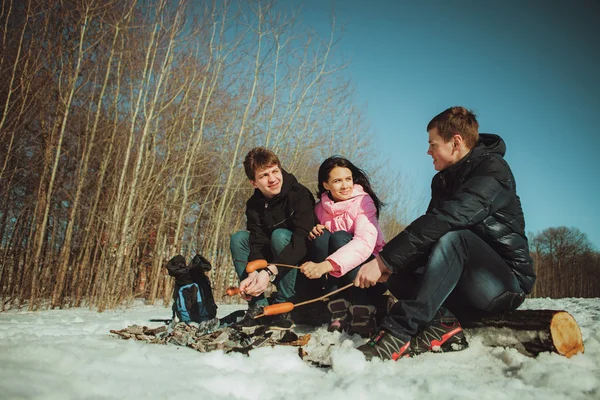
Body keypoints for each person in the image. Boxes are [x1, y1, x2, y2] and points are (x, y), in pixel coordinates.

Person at [355, 106, 536, 360]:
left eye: (433, 144)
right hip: (462, 282)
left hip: (504, 284)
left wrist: (386, 258)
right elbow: (428, 237)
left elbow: (448, 219)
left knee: (455, 237)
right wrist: (390, 265)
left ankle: (398, 334)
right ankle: (444, 325)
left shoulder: (494, 171)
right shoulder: (442, 180)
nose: (428, 151)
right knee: (397, 272)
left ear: (456, 142)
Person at [300, 156, 388, 337]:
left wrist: (325, 266)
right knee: (321, 237)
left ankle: (363, 309)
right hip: (337, 282)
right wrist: (314, 230)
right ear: (326, 185)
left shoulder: (364, 202)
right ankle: (338, 307)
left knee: (340, 237)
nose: (345, 185)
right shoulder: (319, 209)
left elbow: (364, 243)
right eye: (337, 181)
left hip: (369, 274)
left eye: (348, 179)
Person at [230, 147, 315, 329]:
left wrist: (269, 272)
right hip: (272, 262)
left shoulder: (300, 195)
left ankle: (283, 306)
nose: (273, 179)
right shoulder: (254, 204)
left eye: (275, 171)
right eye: (264, 176)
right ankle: (257, 304)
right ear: (254, 183)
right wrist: (252, 273)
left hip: (300, 266)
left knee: (280, 235)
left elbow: (302, 241)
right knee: (239, 238)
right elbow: (257, 241)